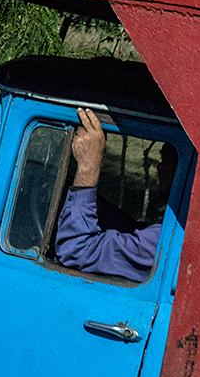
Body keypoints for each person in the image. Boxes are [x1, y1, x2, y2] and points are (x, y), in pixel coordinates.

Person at [55, 108, 178, 282]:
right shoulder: (168, 234)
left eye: (170, 162)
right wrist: (94, 204)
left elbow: (75, 250)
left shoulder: (166, 244)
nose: (160, 168)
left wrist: (87, 168)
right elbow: (134, 232)